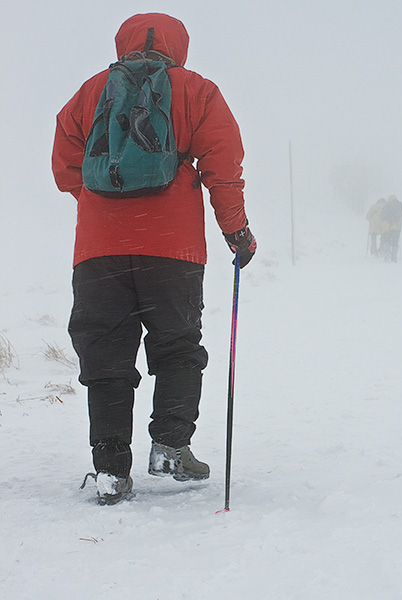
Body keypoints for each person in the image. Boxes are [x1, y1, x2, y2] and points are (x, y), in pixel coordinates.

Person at [52, 13, 256, 505]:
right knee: (178, 345)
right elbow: (222, 167)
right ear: (179, 46)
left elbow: (65, 169)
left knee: (106, 357)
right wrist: (237, 232)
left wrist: (105, 204)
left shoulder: (90, 91)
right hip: (173, 250)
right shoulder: (198, 91)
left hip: (98, 252)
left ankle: (110, 472)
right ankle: (170, 446)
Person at [379, 195, 402, 262]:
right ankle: (394, 257)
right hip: (397, 227)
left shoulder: (386, 206)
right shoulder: (399, 206)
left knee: (387, 240)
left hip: (387, 227)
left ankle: (387, 255)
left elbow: (382, 217)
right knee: (395, 241)